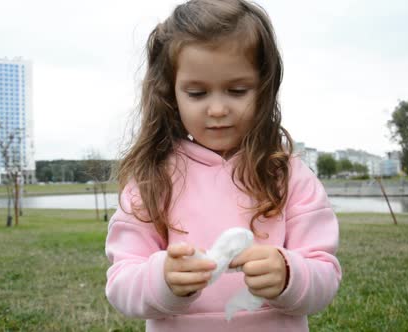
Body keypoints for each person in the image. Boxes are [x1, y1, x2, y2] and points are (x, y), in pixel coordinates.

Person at [104, 0, 341, 331]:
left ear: (264, 89)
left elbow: (325, 277)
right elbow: (120, 283)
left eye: (237, 90)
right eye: (198, 93)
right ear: (171, 94)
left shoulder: (290, 177)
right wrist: (162, 279)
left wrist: (290, 273)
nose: (217, 109)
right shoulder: (151, 180)